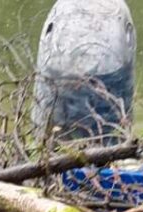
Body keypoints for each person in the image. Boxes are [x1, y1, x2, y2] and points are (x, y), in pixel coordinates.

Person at [32, 0, 136, 144]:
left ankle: (48, 147)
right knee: (111, 138)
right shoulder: (116, 9)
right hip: (99, 60)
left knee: (51, 141)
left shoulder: (65, 7)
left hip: (106, 60)